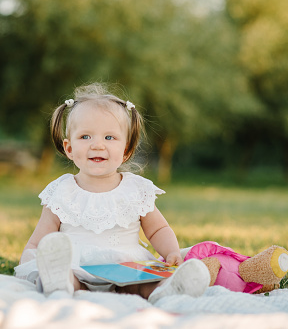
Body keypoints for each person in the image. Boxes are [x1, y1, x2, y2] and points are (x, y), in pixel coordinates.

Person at [14, 83, 210, 303]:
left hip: (127, 268)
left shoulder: (136, 189)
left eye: (109, 138)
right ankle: (60, 284)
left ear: (126, 150)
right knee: (69, 275)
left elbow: (157, 229)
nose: (97, 145)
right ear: (69, 148)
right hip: (78, 265)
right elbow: (39, 239)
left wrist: (172, 251)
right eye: (86, 137)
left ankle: (167, 290)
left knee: (144, 283)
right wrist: (27, 266)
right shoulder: (61, 191)